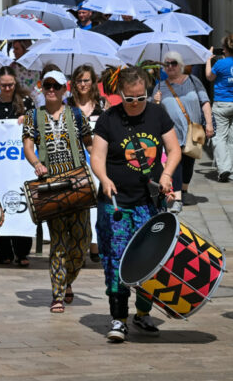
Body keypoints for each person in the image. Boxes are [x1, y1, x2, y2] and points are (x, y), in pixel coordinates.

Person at [92, 66, 180, 342]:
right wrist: (104, 178)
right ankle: (118, 318)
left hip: (148, 202)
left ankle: (142, 313)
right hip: (116, 204)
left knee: (150, 259)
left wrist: (166, 175)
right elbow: (97, 156)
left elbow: (174, 149)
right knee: (116, 260)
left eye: (140, 98)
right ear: (120, 94)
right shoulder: (108, 120)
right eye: (129, 99)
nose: (135, 104)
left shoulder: (157, 114)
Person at [22, 70, 93, 314]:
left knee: (82, 240)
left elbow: (91, 144)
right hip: (51, 182)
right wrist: (36, 164)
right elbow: (28, 145)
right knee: (59, 242)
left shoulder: (76, 115)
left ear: (65, 89)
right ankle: (58, 293)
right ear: (42, 88)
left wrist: (104, 166)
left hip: (77, 180)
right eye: (47, 85)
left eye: (56, 86)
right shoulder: (33, 116)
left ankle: (68, 279)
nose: (51, 89)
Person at [0, 66, 35, 267]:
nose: (7, 88)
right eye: (3, 85)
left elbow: (35, 123)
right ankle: (3, 251)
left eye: (10, 85)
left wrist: (26, 119)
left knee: (22, 201)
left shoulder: (26, 102)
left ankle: (22, 252)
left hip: (20, 164)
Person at [153, 51, 214, 208]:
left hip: (194, 129)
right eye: (167, 64)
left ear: (180, 65)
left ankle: (184, 189)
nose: (170, 67)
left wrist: (209, 123)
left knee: (189, 162)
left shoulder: (194, 81)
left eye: (173, 63)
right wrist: (155, 101)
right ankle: (177, 197)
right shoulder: (160, 86)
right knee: (177, 161)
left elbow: (205, 102)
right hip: (172, 132)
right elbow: (151, 110)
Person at [67, 64, 108, 262]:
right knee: (77, 206)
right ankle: (78, 249)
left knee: (96, 203)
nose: (83, 84)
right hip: (72, 163)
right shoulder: (66, 104)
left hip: (97, 162)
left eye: (86, 80)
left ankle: (95, 246)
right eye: (79, 80)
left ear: (93, 82)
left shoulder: (102, 105)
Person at [206, 34, 233, 182]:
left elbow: (209, 77)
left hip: (222, 104)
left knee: (220, 138)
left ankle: (224, 168)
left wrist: (208, 60)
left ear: (225, 48)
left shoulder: (220, 64)